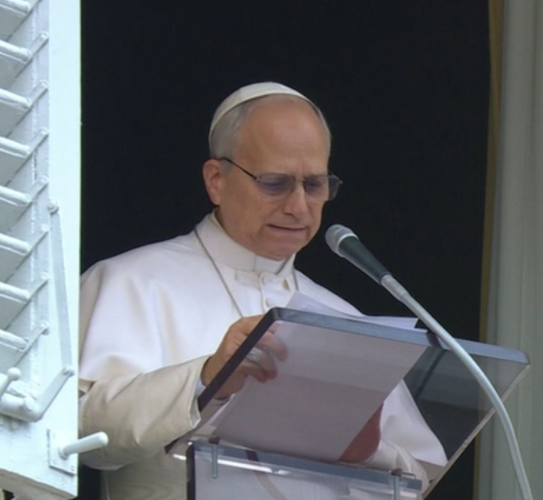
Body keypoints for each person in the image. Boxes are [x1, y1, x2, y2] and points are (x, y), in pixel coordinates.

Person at [78, 82, 445, 500]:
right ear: (217, 180)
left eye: (314, 185)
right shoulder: (132, 282)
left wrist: (365, 453)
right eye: (274, 183)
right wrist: (207, 378)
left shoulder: (344, 318)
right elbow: (83, 434)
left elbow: (419, 478)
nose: (298, 206)